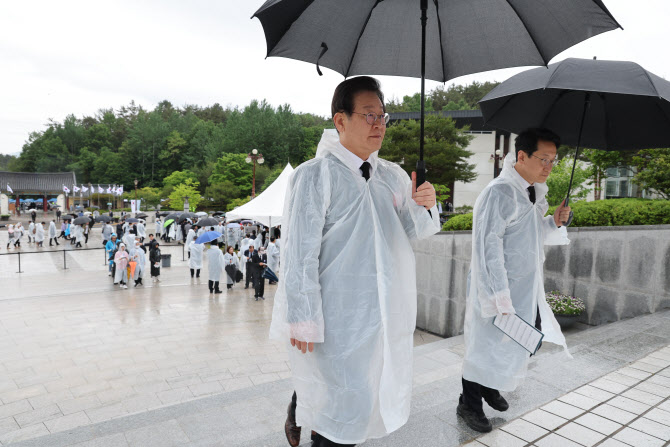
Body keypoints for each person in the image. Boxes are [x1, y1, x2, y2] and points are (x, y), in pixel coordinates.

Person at [273, 76, 440, 447]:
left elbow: (416, 229)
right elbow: (299, 252)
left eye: (382, 115)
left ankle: (304, 403)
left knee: (364, 391)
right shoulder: (314, 176)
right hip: (335, 312)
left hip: (380, 308)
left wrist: (426, 202)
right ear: (341, 120)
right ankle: (309, 413)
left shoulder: (393, 176)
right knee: (343, 409)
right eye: (368, 115)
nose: (378, 124)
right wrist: (302, 316)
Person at [458, 128, 572, 433]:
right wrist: (498, 295)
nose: (549, 166)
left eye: (553, 160)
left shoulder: (532, 190)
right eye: (543, 159)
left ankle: (489, 385)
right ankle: (468, 403)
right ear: (521, 156)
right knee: (483, 344)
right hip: (496, 285)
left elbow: (530, 234)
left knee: (510, 342)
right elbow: (487, 247)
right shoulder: (500, 192)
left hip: (524, 285)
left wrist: (553, 221)